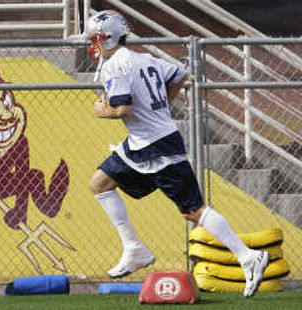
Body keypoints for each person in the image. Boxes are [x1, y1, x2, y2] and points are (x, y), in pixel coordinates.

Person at [83, 10, 270, 298]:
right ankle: (134, 248)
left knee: (193, 211)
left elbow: (122, 108)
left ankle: (247, 256)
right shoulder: (144, 58)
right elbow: (179, 74)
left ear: (106, 39)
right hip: (142, 144)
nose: (92, 45)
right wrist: (162, 109)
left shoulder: (116, 66)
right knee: (100, 183)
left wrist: (101, 111)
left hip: (156, 146)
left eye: (95, 39)